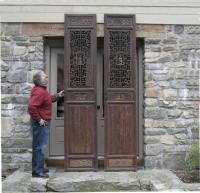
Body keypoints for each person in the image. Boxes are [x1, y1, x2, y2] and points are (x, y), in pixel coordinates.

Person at [28, 71, 64, 178]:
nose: (47, 78)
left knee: (37, 147)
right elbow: (31, 107)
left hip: (41, 123)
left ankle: (37, 168)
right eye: (45, 77)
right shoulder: (39, 92)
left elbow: (47, 100)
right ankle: (38, 171)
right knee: (40, 147)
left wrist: (57, 96)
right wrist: (39, 120)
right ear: (40, 80)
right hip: (41, 124)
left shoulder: (41, 91)